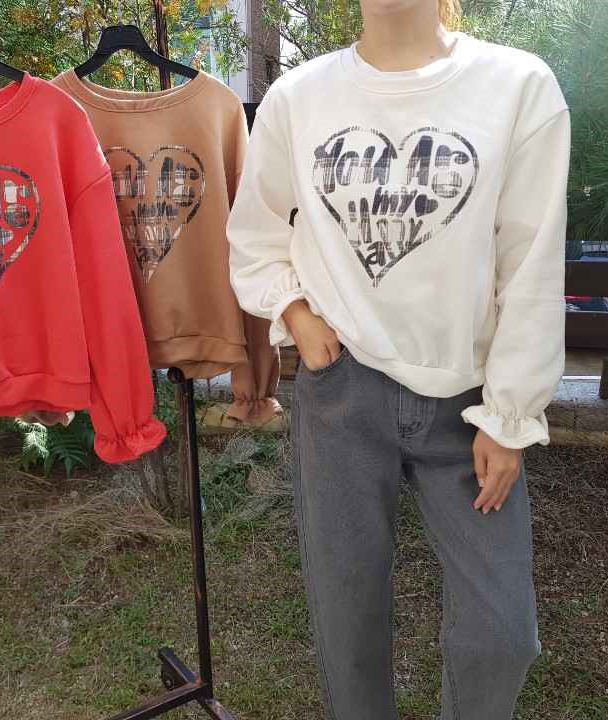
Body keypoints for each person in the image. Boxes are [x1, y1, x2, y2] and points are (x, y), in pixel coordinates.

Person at [226, 0, 570, 718]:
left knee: (503, 634)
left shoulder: (517, 85)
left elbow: (531, 259)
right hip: (342, 393)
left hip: (469, 405)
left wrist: (510, 415)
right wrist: (296, 314)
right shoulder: (299, 97)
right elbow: (254, 233)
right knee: (347, 612)